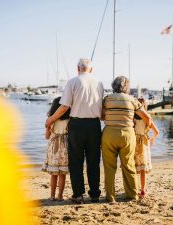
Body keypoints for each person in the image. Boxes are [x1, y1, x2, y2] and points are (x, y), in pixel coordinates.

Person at [45, 58, 103, 204]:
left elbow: (64, 107)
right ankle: (95, 194)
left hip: (77, 125)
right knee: (93, 161)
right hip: (95, 125)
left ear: (78, 68)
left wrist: (50, 119)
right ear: (91, 69)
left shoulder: (72, 82)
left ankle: (78, 195)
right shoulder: (99, 83)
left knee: (76, 161)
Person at [101, 76, 151, 203]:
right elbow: (146, 117)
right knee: (129, 165)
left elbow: (101, 116)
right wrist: (146, 130)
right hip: (128, 134)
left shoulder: (107, 99)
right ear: (127, 87)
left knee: (109, 167)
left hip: (109, 133)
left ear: (114, 86)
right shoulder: (132, 100)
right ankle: (132, 195)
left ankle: (110, 196)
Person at [42, 97, 70, 201]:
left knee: (54, 174)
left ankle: (52, 196)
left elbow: (46, 136)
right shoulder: (69, 120)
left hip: (53, 148)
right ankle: (60, 196)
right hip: (65, 148)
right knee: (62, 174)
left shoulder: (50, 120)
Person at [134, 98, 159, 198]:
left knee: (134, 167)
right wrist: (152, 139)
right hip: (144, 143)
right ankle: (143, 190)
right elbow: (157, 132)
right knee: (143, 169)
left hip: (135, 142)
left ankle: (134, 188)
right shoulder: (148, 118)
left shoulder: (133, 118)